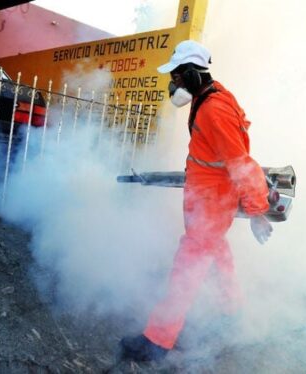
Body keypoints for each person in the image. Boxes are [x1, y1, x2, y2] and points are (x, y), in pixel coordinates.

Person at [120, 40, 273, 362]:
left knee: (186, 268)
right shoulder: (209, 94)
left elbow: (241, 163)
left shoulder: (214, 109)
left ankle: (157, 341)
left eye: (176, 77)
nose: (172, 84)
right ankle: (232, 312)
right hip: (209, 196)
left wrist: (259, 212)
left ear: (191, 74)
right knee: (218, 254)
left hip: (211, 202)